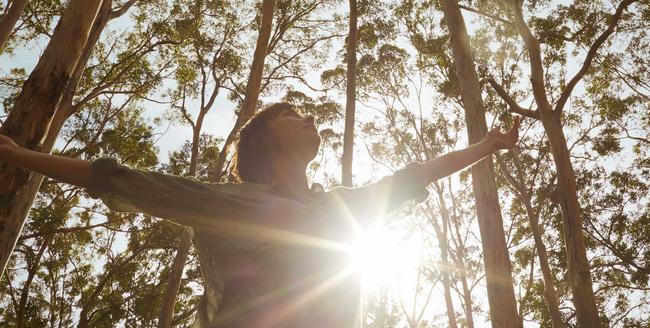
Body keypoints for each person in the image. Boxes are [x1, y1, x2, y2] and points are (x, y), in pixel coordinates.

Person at [0, 102, 520, 327]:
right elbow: (118, 180)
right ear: (261, 138)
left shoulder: (343, 205)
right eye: (292, 114)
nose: (310, 118)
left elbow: (414, 175)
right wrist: (19, 156)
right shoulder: (226, 201)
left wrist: (485, 145)